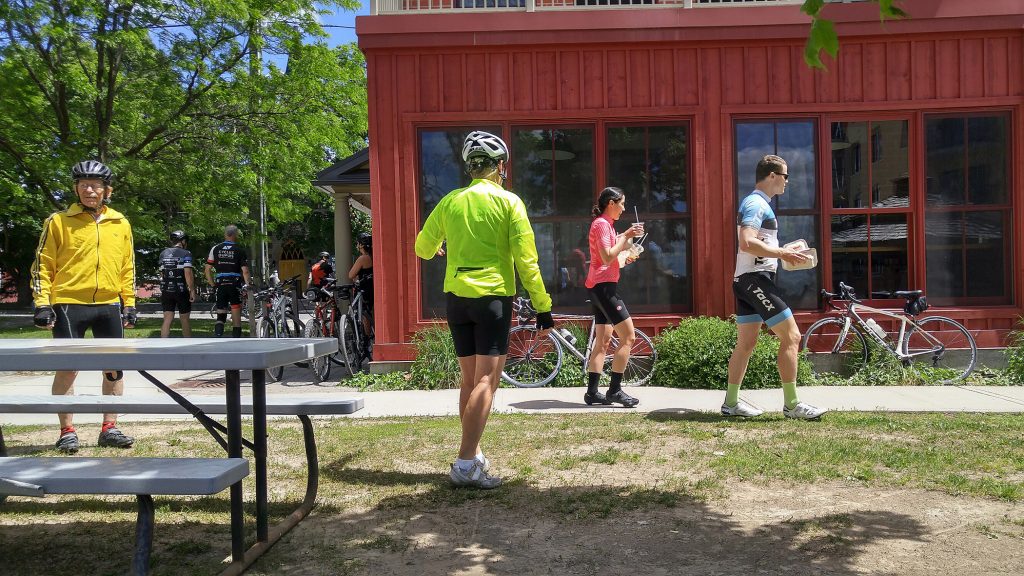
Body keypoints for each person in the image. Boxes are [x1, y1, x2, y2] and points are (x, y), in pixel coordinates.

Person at [415, 130, 554, 490]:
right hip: (492, 298)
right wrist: (543, 307)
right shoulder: (510, 203)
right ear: (500, 166)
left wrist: (440, 247)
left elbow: (422, 248)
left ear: (471, 167)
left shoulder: (451, 201)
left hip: (457, 299)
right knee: (485, 382)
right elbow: (528, 262)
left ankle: (472, 454)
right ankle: (464, 464)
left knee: (468, 380)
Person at [31, 160, 137, 453]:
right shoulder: (58, 221)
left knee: (114, 369)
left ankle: (110, 428)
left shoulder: (121, 222)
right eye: (84, 185)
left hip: (108, 305)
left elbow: (128, 266)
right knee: (68, 369)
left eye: (96, 185)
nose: (90, 190)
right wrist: (42, 304)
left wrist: (128, 303)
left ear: (107, 190)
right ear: (76, 189)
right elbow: (42, 265)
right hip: (68, 304)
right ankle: (67, 431)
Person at [724, 154, 826, 420]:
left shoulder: (759, 204)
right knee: (792, 337)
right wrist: (781, 253)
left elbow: (758, 246)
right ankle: (792, 405)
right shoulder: (756, 203)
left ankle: (731, 403)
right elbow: (746, 242)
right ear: (772, 176)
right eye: (785, 176)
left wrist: (784, 250)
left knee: (746, 343)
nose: (787, 182)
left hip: (747, 280)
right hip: (753, 280)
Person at [583, 187, 645, 408]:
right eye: (622, 204)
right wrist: (627, 236)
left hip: (599, 285)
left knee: (603, 341)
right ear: (611, 203)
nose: (624, 209)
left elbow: (608, 260)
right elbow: (607, 257)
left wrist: (626, 257)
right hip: (604, 289)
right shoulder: (601, 224)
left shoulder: (606, 226)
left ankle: (592, 393)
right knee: (628, 337)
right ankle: (615, 391)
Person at [204, 225, 251, 338]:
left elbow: (207, 269)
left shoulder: (215, 248)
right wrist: (248, 285)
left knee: (221, 308)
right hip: (234, 283)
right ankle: (236, 336)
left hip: (220, 282)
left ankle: (219, 333)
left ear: (225, 234)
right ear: (235, 235)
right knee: (235, 308)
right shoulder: (239, 250)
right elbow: (245, 271)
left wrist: (212, 284)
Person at [158, 230, 197, 337]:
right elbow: (188, 272)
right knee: (184, 319)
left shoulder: (163, 253)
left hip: (166, 290)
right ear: (183, 241)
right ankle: (188, 346)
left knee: (167, 319)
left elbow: (162, 273)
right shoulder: (186, 253)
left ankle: (162, 346)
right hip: (181, 290)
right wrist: (192, 290)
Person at [347, 234, 374, 342]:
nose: (357, 245)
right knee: (371, 312)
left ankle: (366, 337)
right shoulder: (373, 256)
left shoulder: (363, 258)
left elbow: (350, 275)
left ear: (361, 245)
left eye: (357, 243)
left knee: (364, 313)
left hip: (365, 289)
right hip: (373, 287)